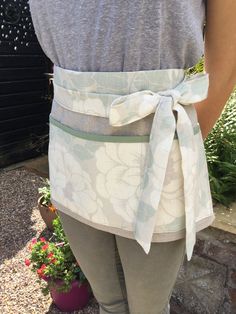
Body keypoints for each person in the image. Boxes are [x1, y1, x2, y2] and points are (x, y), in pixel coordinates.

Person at [29, 1, 236, 313]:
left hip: (158, 146)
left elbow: (226, 59)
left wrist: (181, 146)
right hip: (72, 157)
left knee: (148, 308)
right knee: (108, 302)